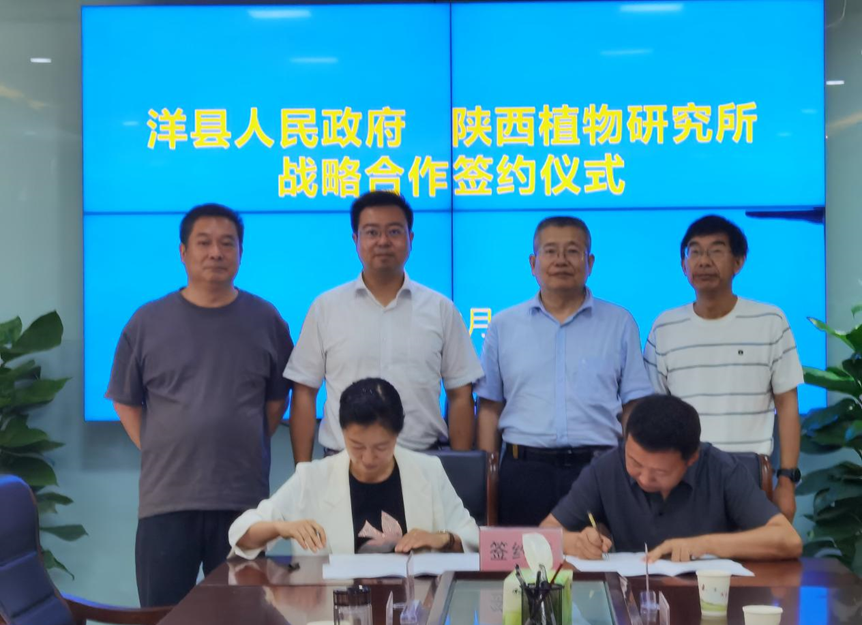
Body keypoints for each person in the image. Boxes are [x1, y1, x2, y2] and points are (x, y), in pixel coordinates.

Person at [106, 203, 293, 607]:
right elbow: (125, 400)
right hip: (166, 500)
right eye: (204, 243)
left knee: (243, 620)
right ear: (183, 252)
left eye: (227, 243)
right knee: (163, 620)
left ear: (241, 252)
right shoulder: (147, 322)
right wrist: (159, 446)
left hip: (242, 503)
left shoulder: (266, 319)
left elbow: (277, 401)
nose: (216, 253)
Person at [475, 216, 653, 526]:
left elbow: (633, 406)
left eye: (572, 251)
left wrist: (632, 469)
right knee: (522, 556)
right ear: (533, 263)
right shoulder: (503, 325)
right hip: (523, 471)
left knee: (600, 553)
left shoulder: (619, 322)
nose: (561, 260)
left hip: (599, 468)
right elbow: (489, 408)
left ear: (590, 262)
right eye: (550, 251)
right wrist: (487, 475)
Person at [285, 191, 483, 462]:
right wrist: (304, 472)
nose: (383, 241)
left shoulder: (441, 309)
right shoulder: (326, 307)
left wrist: (459, 471)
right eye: (371, 232)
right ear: (355, 240)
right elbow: (305, 393)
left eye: (394, 232)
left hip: (422, 462)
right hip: (342, 462)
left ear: (410, 238)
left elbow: (460, 394)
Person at [643, 215, 804, 520]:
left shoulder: (770, 321)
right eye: (694, 252)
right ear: (684, 265)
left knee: (754, 551)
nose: (703, 261)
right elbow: (654, 409)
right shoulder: (664, 326)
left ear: (738, 262)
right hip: (683, 470)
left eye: (716, 251)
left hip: (749, 470)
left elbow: (787, 404)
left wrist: (787, 480)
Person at [229, 378, 479, 557]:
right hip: (334, 604)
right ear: (342, 432)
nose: (368, 458)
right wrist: (281, 528)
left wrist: (442, 539)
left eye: (381, 447)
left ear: (397, 435)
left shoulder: (428, 471)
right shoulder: (313, 478)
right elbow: (242, 534)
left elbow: (474, 537)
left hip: (416, 604)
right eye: (357, 446)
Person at [541, 394, 802, 562]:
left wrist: (704, 544)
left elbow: (788, 540)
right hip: (632, 602)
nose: (644, 478)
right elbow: (545, 532)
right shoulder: (606, 468)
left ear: (691, 458)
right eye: (635, 463)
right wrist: (575, 542)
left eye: (660, 472)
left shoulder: (722, 469)